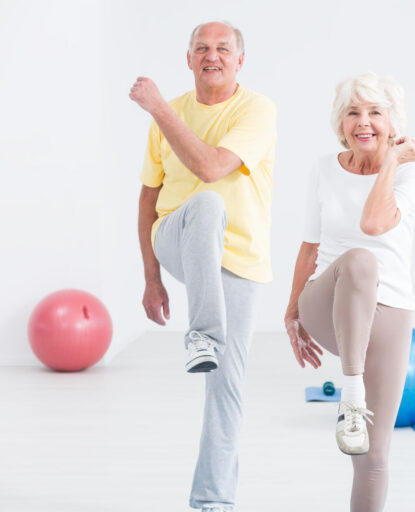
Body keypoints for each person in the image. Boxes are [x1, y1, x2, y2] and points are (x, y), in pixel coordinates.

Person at [131, 21, 277, 511]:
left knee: (227, 386)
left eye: (222, 49)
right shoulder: (169, 112)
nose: (212, 55)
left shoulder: (257, 110)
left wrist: (158, 108)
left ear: (239, 60)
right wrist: (151, 278)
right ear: (189, 59)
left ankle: (212, 502)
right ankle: (202, 334)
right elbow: (148, 199)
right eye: (202, 48)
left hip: (238, 259)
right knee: (207, 205)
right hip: (177, 235)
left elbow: (212, 166)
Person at [284, 72, 415, 512]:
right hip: (327, 303)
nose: (363, 122)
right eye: (353, 112)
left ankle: (355, 406)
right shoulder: (323, 168)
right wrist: (291, 312)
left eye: (375, 112)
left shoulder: (412, 175)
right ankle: (351, 395)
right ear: (341, 122)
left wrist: (391, 162)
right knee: (361, 261)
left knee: (373, 457)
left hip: (389, 313)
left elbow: (374, 221)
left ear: (392, 122)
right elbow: (310, 245)